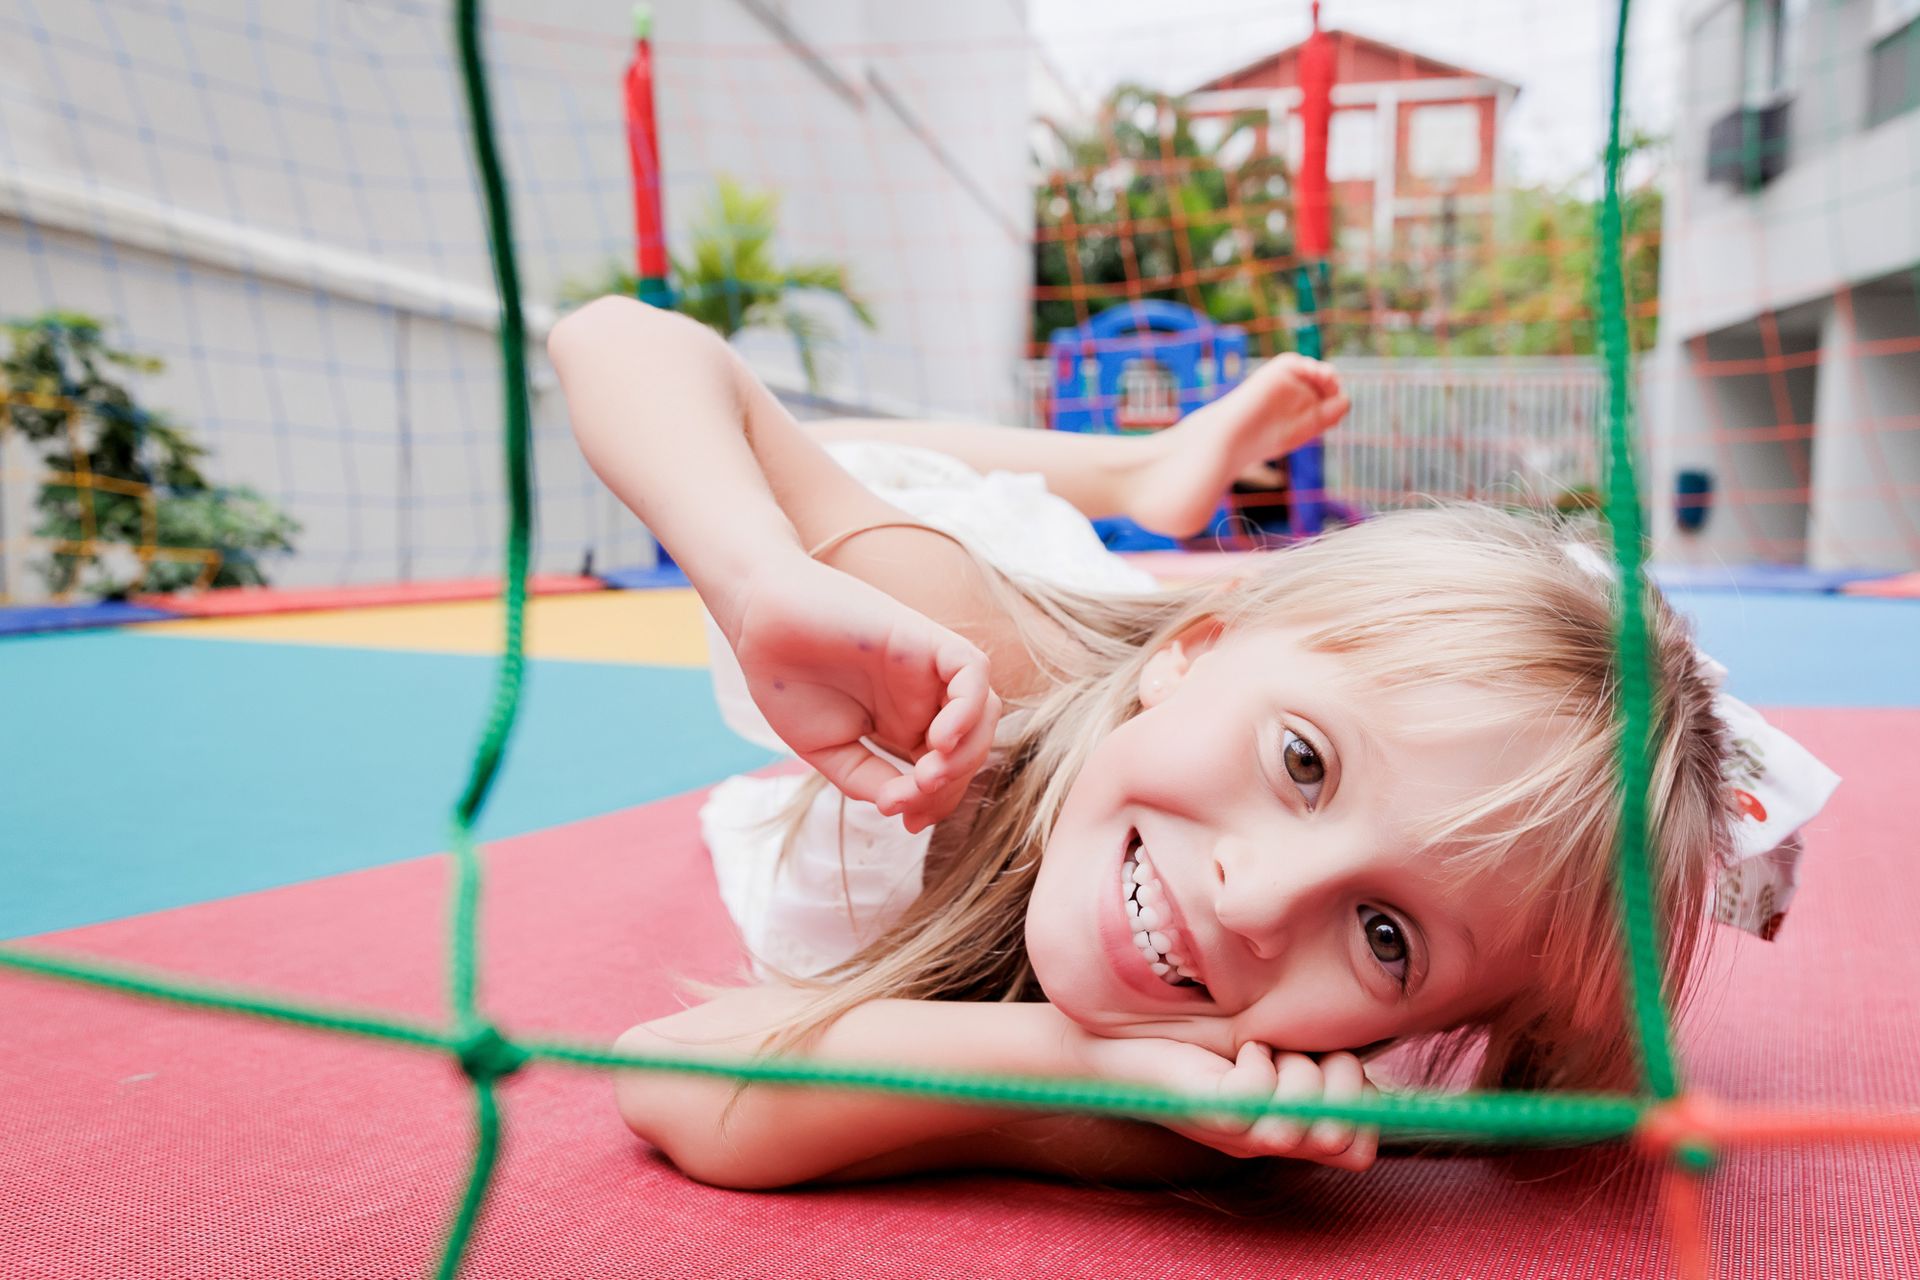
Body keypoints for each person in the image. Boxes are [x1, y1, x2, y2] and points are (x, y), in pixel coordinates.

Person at [549, 296, 1837, 1192]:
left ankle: (1161, 497)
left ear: (1426, 1030)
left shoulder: (1242, 1094)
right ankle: (1139, 473)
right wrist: (758, 574)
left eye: (1387, 939)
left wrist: (1083, 1069)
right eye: (1304, 766)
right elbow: (617, 339)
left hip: (1191, 680)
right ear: (1194, 653)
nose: (1257, 902)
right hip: (1029, 611)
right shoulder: (956, 664)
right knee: (853, 467)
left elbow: (680, 1080)